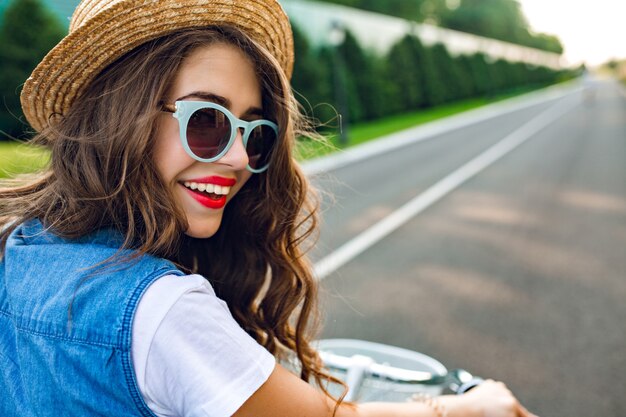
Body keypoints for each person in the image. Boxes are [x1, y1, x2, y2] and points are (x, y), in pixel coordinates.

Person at [0, 0, 538, 416]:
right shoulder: (161, 310)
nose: (238, 159)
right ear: (119, 119)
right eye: (206, 122)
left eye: (255, 134)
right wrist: (467, 406)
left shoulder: (16, 242)